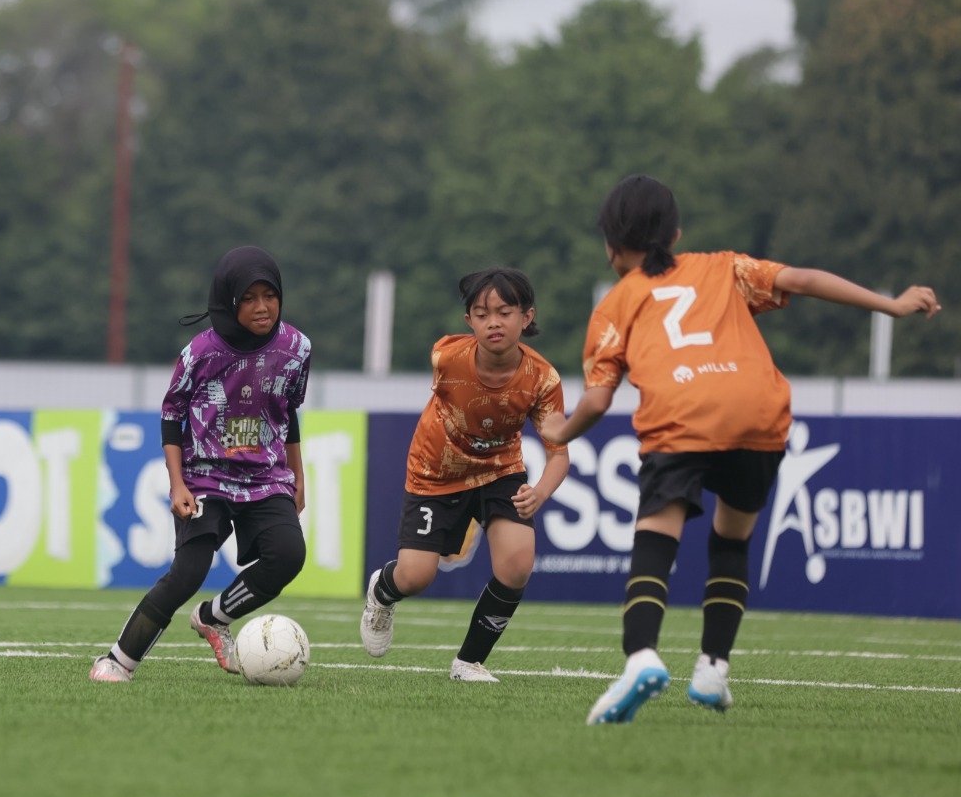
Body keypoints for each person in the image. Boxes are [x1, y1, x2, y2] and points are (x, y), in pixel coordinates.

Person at [539, 174, 941, 724]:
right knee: (732, 542)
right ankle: (712, 669)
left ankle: (640, 657)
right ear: (675, 233)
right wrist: (890, 306)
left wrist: (560, 432)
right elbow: (801, 278)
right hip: (758, 411)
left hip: (682, 415)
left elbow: (598, 400)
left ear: (610, 243)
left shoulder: (615, 305)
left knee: (657, 536)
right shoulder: (722, 267)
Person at [90, 245, 311, 683]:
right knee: (188, 572)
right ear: (229, 300)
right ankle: (118, 660)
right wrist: (177, 485)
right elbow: (171, 415)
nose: (261, 306)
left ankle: (214, 617)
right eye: (248, 297)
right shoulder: (201, 352)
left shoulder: (298, 348)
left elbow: (288, 413)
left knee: (288, 556)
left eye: (270, 295)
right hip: (205, 477)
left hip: (265, 478)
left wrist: (297, 477)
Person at [358, 268, 570, 681]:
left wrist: (540, 492)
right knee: (416, 576)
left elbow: (559, 455)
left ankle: (468, 662)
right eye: (481, 312)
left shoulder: (543, 379)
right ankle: (382, 592)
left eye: (504, 312)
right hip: (435, 471)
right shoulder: (447, 357)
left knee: (517, 565)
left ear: (526, 317)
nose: (493, 321)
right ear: (469, 321)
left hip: (500, 470)